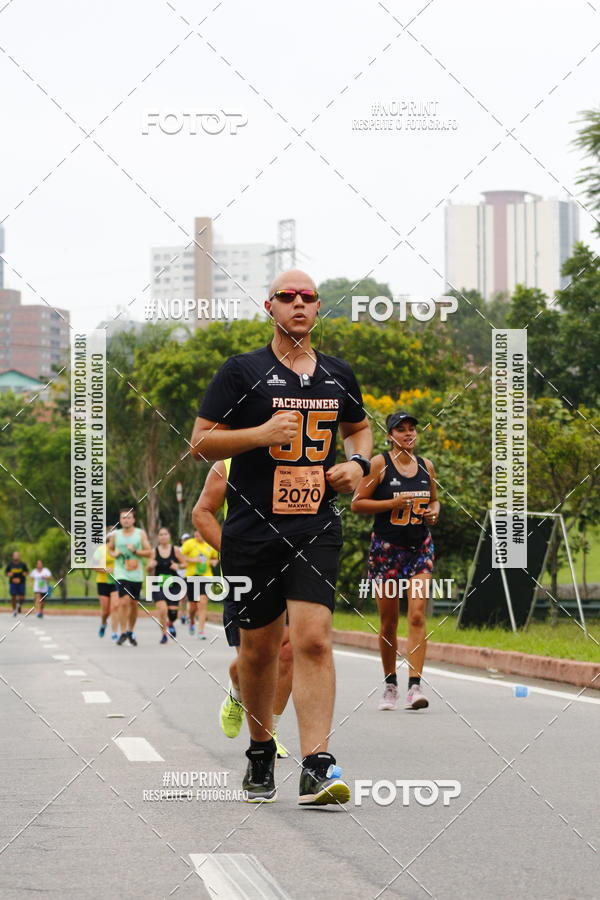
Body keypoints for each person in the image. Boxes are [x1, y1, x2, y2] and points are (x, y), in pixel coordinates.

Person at [191, 268, 372, 805]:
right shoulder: (241, 371)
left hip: (315, 524)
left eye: (308, 298)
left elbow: (357, 428)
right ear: (269, 307)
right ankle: (260, 749)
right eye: (287, 297)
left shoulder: (338, 375)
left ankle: (317, 763)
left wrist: (357, 464)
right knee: (259, 648)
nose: (298, 304)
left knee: (313, 639)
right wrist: (262, 435)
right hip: (251, 530)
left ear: (318, 310)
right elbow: (201, 442)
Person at [192, 458, 292, 758]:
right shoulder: (228, 464)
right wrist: (235, 553)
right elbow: (202, 512)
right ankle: (237, 693)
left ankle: (269, 732)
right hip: (246, 578)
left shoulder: (299, 456)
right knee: (258, 656)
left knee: (288, 652)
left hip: (291, 572)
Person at [351, 411, 440, 711]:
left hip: (419, 549)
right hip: (387, 551)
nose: (408, 434)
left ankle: (415, 687)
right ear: (390, 435)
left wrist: (434, 511)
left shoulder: (426, 466)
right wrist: (391, 503)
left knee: (416, 616)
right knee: (389, 622)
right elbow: (357, 503)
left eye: (411, 429)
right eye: (400, 430)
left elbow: (434, 499)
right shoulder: (379, 464)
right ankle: (390, 683)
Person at [108, 507, 152, 646]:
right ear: (120, 520)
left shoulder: (140, 534)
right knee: (124, 601)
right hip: (121, 573)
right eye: (123, 518)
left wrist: (136, 551)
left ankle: (130, 631)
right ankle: (122, 632)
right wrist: (115, 554)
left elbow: (149, 552)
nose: (126, 520)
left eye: (128, 518)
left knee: (133, 604)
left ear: (133, 519)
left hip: (136, 574)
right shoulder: (116, 535)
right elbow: (110, 549)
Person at [147, 527, 185, 644]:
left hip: (174, 584)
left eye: (165, 534)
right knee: (162, 610)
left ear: (169, 536)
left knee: (173, 613)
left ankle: (171, 623)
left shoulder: (176, 550)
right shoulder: (154, 552)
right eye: (161, 535)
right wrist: (151, 566)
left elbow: (185, 563)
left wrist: (178, 566)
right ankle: (164, 634)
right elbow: (147, 568)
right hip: (158, 584)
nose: (163, 537)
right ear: (158, 537)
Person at [180, 529, 219, 639]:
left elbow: (215, 558)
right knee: (193, 606)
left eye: (200, 532)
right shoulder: (189, 543)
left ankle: (201, 631)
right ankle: (191, 620)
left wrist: (214, 562)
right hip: (191, 577)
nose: (197, 534)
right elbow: (179, 555)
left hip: (206, 577)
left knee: (202, 602)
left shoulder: (210, 544)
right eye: (196, 532)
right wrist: (192, 559)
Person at [92, 533, 119, 639]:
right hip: (102, 582)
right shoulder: (101, 550)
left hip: (116, 582)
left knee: (115, 607)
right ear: (110, 538)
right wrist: (104, 570)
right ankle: (103, 623)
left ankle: (114, 632)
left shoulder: (119, 550)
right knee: (105, 611)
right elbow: (93, 566)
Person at [5, 551, 28, 616]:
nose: (16, 556)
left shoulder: (23, 564)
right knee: (13, 596)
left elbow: (27, 572)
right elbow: (6, 573)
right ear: (12, 556)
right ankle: (14, 610)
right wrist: (9, 574)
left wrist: (24, 574)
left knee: (22, 597)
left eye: (17, 555)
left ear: (19, 556)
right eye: (15, 555)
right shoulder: (10, 565)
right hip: (13, 582)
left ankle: (19, 605)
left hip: (21, 582)